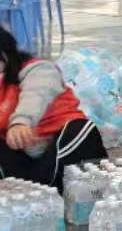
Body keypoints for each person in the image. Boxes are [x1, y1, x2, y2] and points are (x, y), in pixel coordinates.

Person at [0, 29, 105, 187]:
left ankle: (77, 191)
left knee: (80, 129)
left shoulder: (39, 69)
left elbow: (36, 94)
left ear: (5, 54)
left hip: (63, 146)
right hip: (22, 159)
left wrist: (21, 122)